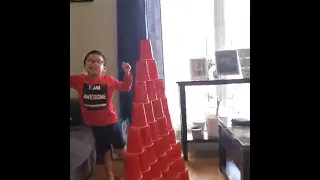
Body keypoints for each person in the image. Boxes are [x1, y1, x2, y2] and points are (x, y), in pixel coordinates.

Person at [70, 50, 132, 180]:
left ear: (104, 68)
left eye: (98, 61)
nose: (94, 63)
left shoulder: (109, 80)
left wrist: (127, 73)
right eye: (90, 61)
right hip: (94, 126)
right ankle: (110, 176)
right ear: (85, 66)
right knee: (104, 153)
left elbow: (126, 87)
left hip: (111, 123)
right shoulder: (79, 80)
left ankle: (131, 174)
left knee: (121, 151)